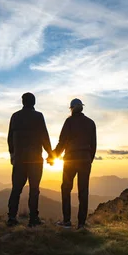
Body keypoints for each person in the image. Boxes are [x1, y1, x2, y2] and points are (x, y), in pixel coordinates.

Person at [7, 92, 53, 227]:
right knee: (34, 189)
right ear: (34, 102)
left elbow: (10, 138)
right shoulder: (38, 116)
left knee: (16, 189)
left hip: (19, 159)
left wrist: (12, 154)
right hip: (35, 159)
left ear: (23, 102)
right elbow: (45, 137)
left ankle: (11, 218)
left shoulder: (15, 116)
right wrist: (51, 154)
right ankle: (33, 219)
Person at [53, 98, 97, 229]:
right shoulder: (91, 123)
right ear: (82, 108)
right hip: (85, 160)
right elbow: (93, 145)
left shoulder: (69, 122)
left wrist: (53, 156)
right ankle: (81, 223)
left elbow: (62, 143)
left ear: (71, 109)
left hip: (70, 160)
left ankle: (66, 221)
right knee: (83, 191)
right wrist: (89, 159)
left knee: (66, 188)